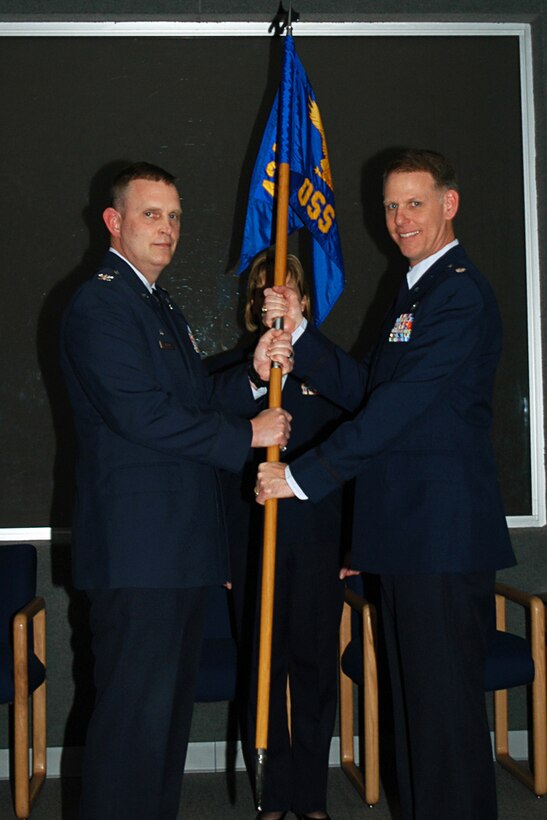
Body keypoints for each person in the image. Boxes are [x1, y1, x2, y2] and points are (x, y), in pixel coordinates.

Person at [256, 149, 516, 820]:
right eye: (390, 206)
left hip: (439, 536)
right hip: (405, 536)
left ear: (447, 205)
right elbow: (369, 390)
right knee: (415, 713)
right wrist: (301, 332)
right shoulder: (414, 290)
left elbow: (398, 411)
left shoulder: (457, 290)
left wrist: (302, 477)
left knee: (444, 723)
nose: (399, 219)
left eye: (414, 203)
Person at [60, 162, 294, 820]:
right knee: (132, 731)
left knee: (159, 733)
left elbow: (189, 401)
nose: (167, 228)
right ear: (114, 222)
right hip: (140, 557)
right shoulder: (100, 303)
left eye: (174, 216)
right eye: (150, 214)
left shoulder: (156, 304)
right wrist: (246, 436)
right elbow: (140, 415)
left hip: (176, 552)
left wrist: (249, 377)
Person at [210, 251, 347, 820]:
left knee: (315, 667)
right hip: (250, 543)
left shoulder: (334, 373)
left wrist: (354, 545)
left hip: (319, 543)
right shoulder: (225, 376)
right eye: (266, 293)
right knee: (261, 668)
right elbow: (208, 466)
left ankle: (311, 796)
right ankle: (274, 792)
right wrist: (218, 550)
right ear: (253, 305)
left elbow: (361, 456)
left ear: (305, 302)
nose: (277, 302)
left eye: (287, 291)